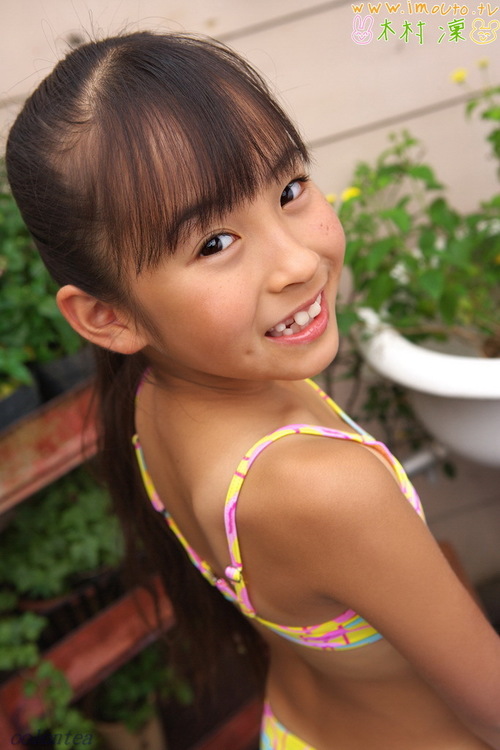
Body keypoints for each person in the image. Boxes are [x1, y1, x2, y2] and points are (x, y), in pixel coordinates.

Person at [6, 31, 500, 750]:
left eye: (290, 189)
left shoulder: (156, 393)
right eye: (214, 243)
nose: (297, 261)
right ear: (108, 317)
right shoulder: (326, 488)